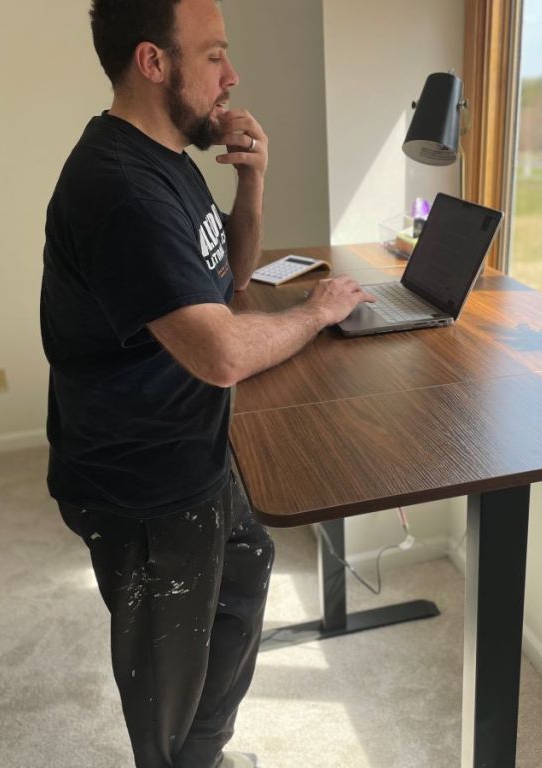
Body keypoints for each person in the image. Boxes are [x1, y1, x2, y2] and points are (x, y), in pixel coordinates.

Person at [39, 1, 374, 766]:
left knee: (247, 574)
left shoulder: (166, 159)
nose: (233, 75)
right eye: (215, 54)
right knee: (167, 680)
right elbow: (221, 353)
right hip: (140, 483)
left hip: (190, 450)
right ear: (154, 64)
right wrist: (319, 312)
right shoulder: (121, 189)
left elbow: (229, 279)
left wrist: (252, 184)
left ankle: (206, 755)